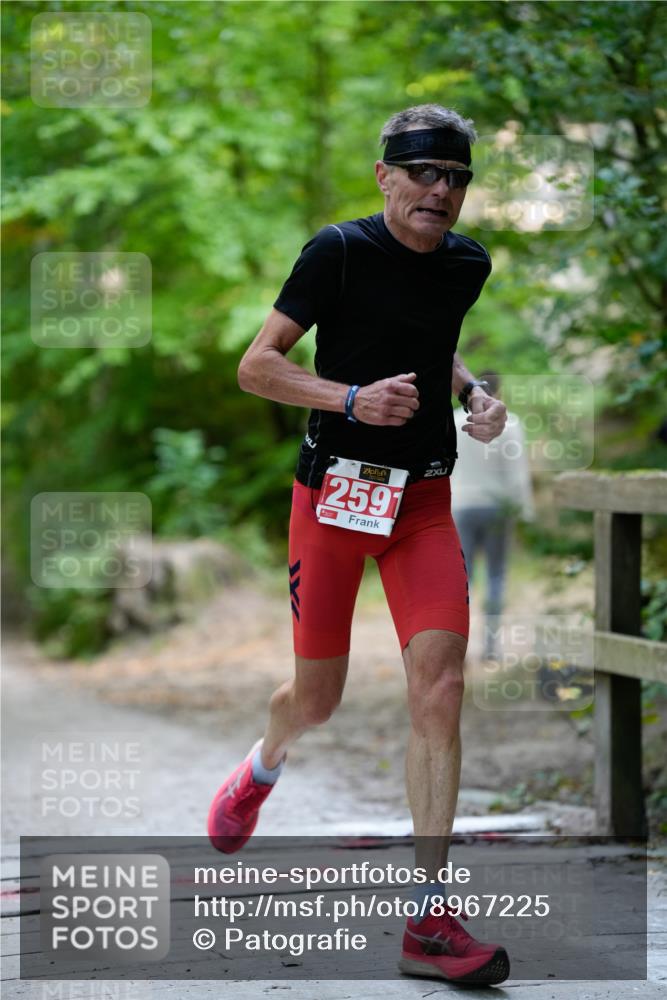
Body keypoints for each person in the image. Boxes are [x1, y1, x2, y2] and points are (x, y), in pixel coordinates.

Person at [207, 104, 510, 986]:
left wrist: (475, 396)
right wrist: (345, 399)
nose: (440, 192)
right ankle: (263, 767)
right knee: (317, 699)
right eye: (423, 173)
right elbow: (256, 366)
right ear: (385, 176)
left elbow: (437, 345)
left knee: (441, 684)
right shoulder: (335, 251)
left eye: (456, 177)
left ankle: (428, 921)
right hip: (332, 499)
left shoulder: (467, 262)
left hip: (421, 501)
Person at [451, 370, 535, 660]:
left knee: (463, 580)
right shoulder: (510, 424)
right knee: (496, 576)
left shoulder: (453, 420)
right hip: (498, 507)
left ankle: (455, 650)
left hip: (460, 505)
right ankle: (490, 647)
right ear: (498, 392)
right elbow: (517, 474)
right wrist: (525, 510)